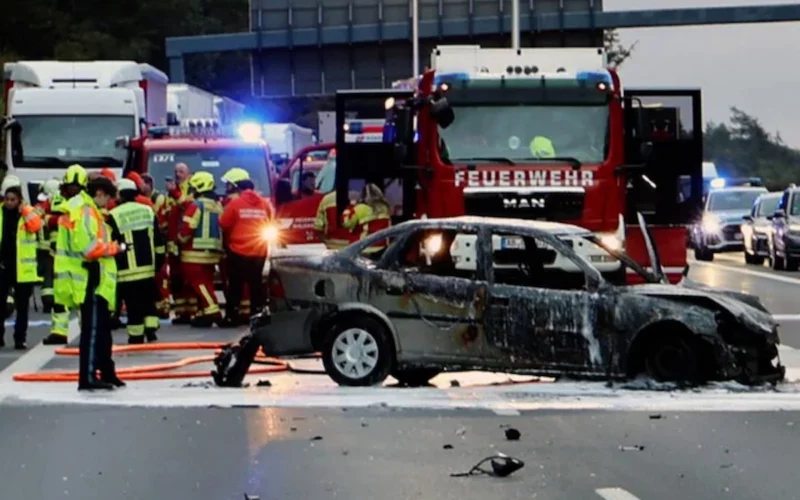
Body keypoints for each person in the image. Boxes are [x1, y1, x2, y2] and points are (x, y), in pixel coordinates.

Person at [60, 175, 125, 390]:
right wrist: (116, 248)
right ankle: (87, 377)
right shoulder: (85, 211)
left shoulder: (85, 208)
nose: (107, 205)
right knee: (93, 331)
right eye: (107, 199)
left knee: (101, 331)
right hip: (89, 278)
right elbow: (88, 248)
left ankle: (105, 371)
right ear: (99, 193)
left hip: (93, 278)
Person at [107, 179, 164, 344]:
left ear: (121, 194)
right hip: (148, 267)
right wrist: (158, 263)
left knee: (133, 305)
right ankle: (151, 329)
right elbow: (158, 240)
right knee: (148, 300)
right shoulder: (148, 211)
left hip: (127, 270)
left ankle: (136, 335)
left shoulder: (114, 215)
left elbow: (113, 243)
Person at [219, 173, 274, 326]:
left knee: (235, 285)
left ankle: (232, 316)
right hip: (259, 251)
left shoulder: (236, 203)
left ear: (240, 190)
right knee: (256, 284)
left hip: (238, 251)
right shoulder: (264, 204)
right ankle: (258, 315)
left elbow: (223, 223)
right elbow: (270, 222)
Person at [44, 165, 90, 345]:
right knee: (60, 297)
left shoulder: (85, 202)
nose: (73, 189)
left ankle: (86, 331)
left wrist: (55, 220)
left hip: (80, 259)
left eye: (76, 187)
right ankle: (58, 331)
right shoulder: (56, 199)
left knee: (82, 299)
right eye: (70, 186)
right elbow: (42, 216)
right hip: (60, 257)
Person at [0, 181, 43, 349]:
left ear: (20, 200)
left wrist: (24, 210)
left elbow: (36, 226)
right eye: (7, 199)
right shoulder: (1, 213)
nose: (9, 202)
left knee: (22, 307)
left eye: (13, 199)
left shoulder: (28, 213)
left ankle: (20, 338)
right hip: (3, 266)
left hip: (22, 269)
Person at [177, 171, 224, 327]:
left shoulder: (196, 205)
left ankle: (212, 311)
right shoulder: (218, 205)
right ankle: (202, 313)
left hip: (194, 253)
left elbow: (187, 228)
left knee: (198, 283)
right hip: (213, 252)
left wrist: (179, 239)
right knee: (207, 282)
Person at [219, 167, 253, 319]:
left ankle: (236, 312)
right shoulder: (257, 202)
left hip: (234, 247)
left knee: (235, 282)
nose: (227, 187)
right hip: (255, 248)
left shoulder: (232, 202)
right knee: (251, 281)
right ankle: (247, 310)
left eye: (229, 184)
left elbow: (224, 223)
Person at [166, 162, 195, 323]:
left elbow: (187, 206)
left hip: (185, 241)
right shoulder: (172, 191)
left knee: (187, 277)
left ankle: (192, 310)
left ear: (188, 173)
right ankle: (180, 312)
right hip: (173, 241)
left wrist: (175, 193)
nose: (178, 174)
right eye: (176, 171)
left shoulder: (190, 189)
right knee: (176, 278)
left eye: (181, 171)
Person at [141, 173, 171, 318]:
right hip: (148, 240)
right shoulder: (142, 199)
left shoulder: (157, 199)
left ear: (150, 184)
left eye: (143, 183)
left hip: (158, 239)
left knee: (161, 275)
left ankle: (164, 306)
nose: (141, 187)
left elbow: (161, 221)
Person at [33, 178, 61, 313]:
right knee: (56, 275)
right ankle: (56, 300)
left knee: (48, 276)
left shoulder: (40, 207)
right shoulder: (59, 204)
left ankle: (48, 301)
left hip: (42, 248)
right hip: (56, 247)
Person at [343, 183, 392, 256]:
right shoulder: (385, 207)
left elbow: (347, 224)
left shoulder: (360, 208)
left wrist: (350, 207)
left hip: (365, 247)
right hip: (383, 247)